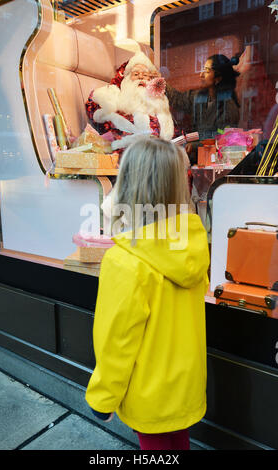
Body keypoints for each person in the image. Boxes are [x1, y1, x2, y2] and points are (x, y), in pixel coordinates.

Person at [85, 137, 210, 451]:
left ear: (128, 184)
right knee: (179, 443)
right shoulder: (192, 247)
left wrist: (103, 398)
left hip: (149, 393)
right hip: (185, 388)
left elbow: (116, 339)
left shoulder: (125, 261)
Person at [86, 51, 175, 153]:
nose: (141, 77)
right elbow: (95, 109)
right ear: (127, 79)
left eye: (145, 75)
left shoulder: (159, 106)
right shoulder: (117, 100)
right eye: (136, 74)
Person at [166, 54, 240, 163]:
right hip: (195, 161)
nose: (201, 75)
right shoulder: (199, 98)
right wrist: (160, 83)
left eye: (207, 71)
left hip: (214, 164)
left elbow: (222, 137)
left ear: (218, 79)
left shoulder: (228, 108)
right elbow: (179, 99)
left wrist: (195, 145)